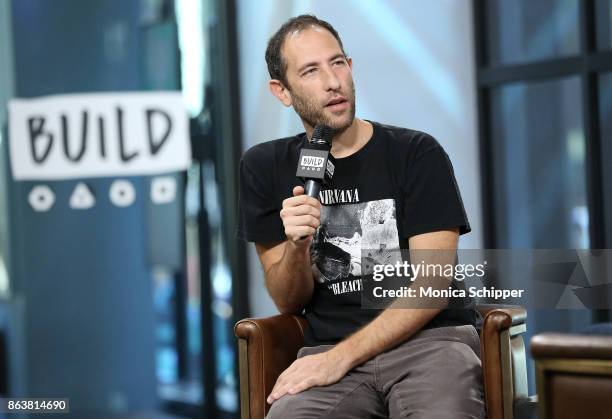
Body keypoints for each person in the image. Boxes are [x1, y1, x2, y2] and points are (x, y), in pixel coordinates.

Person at [237, 14, 484, 419]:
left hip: (428, 343)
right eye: (311, 71)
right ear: (281, 91)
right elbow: (287, 299)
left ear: (350, 68)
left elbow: (434, 283)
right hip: (328, 349)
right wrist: (298, 246)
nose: (332, 81)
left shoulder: (416, 153)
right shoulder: (264, 167)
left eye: (337, 63)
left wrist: (340, 358)